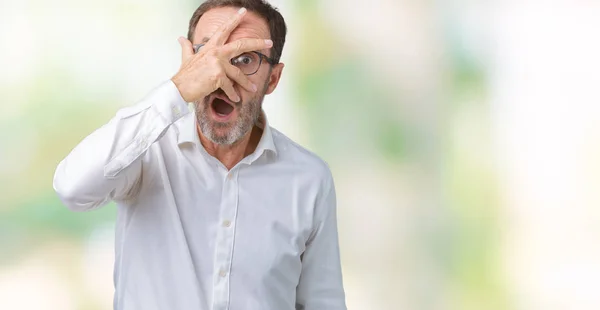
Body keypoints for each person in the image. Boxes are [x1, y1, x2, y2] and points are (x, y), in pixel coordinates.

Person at [52, 1, 346, 309]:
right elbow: (71, 188)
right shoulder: (145, 150)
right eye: (206, 55)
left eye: (245, 59)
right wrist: (177, 89)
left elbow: (323, 302)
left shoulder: (309, 178)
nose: (222, 76)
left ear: (272, 79)